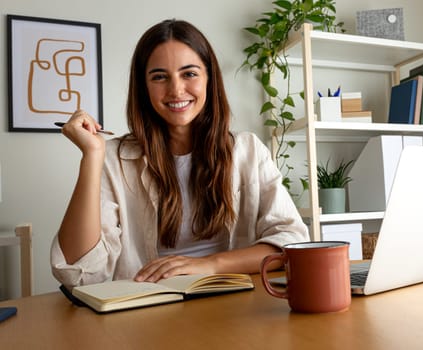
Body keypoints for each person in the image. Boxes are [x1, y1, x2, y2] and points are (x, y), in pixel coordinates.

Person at [50, 19, 309, 289]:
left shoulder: (249, 150)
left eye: (189, 74)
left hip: (231, 303)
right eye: (159, 77)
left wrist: (209, 264)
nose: (176, 90)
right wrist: (92, 156)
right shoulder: (113, 157)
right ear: (144, 87)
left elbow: (292, 241)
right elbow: (78, 272)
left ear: (209, 78)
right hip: (145, 309)